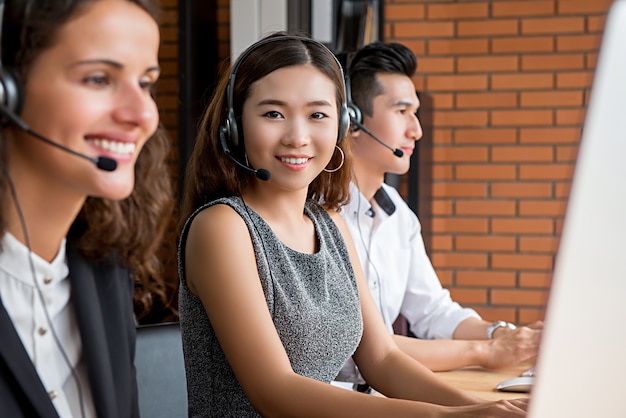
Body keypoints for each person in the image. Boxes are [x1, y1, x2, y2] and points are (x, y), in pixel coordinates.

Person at [178, 32, 528, 417]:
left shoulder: (329, 225)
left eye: (318, 115)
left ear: (341, 125)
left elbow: (382, 360)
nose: (298, 137)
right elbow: (274, 392)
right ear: (234, 125)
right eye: (273, 113)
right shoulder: (223, 228)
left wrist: (489, 408)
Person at [0, 0, 173, 417]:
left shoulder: (105, 269)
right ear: (7, 90)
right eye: (99, 79)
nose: (142, 113)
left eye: (146, 83)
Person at [337, 41, 542, 377]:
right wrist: (487, 351)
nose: (416, 130)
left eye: (414, 113)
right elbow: (361, 344)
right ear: (352, 120)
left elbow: (432, 311)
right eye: (402, 112)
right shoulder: (316, 215)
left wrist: (502, 334)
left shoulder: (398, 216)